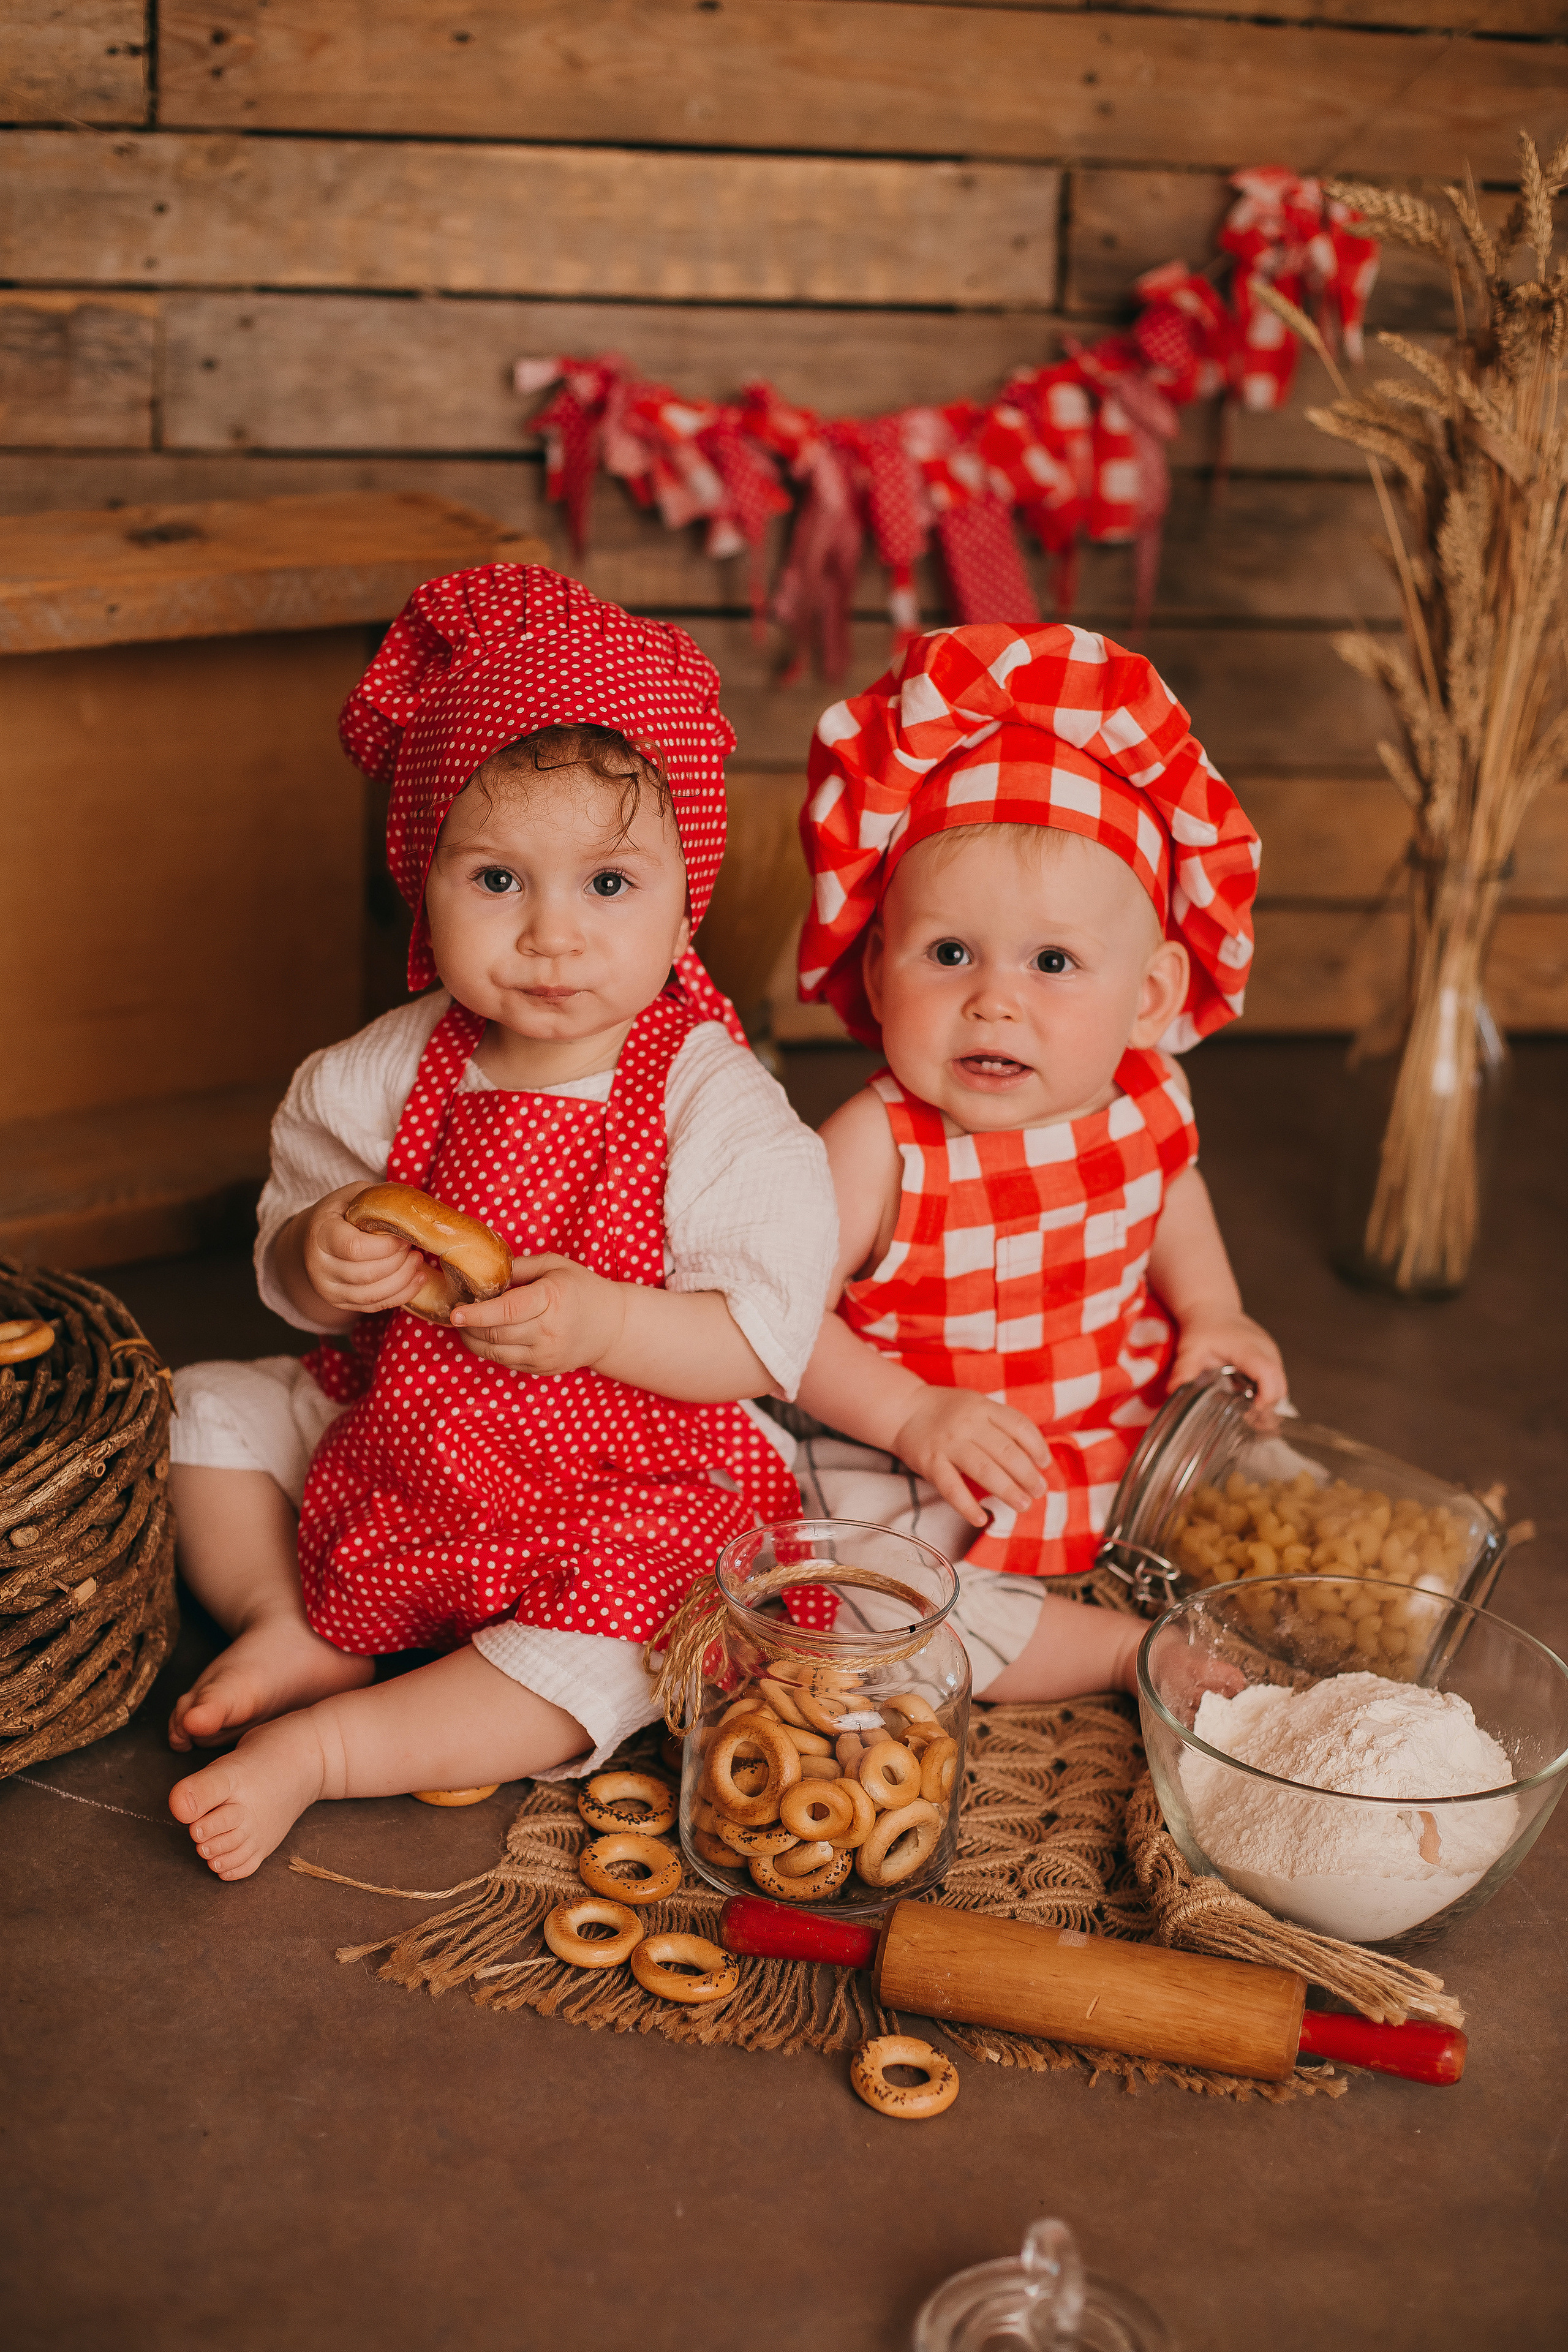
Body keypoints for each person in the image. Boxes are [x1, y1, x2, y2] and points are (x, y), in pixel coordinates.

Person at [166, 565, 837, 1879]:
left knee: (642, 1633)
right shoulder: (387, 1066)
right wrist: (321, 1253)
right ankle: (290, 1620)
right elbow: (291, 1232)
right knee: (206, 1407)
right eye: (495, 880)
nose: (549, 937)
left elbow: (763, 1341)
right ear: (423, 880)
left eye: (605, 884)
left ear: (684, 892)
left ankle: (338, 1750)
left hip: (614, 1477)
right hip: (405, 1429)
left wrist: (606, 1321)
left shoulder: (709, 1097)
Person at [787, 620, 1286, 1703]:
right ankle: (1111, 1651)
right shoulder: (876, 1143)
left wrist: (1214, 1311)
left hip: (1111, 1423)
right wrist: (912, 1418)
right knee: (869, 1609)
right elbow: (779, 1321)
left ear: (1148, 996)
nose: (993, 999)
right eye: (949, 953)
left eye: (1053, 961)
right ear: (878, 971)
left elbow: (1168, 1198)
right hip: (919, 1459)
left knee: (1273, 1503)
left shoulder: (1146, 1097)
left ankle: (1165, 1585)